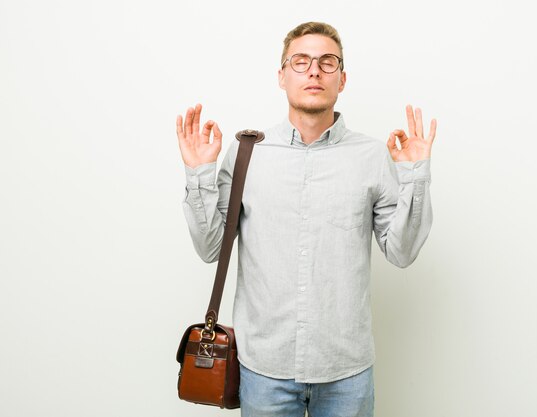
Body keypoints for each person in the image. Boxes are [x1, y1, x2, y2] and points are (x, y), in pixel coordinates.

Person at [175, 21, 437, 417]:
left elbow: (400, 253)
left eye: (327, 62)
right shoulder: (246, 153)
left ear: (342, 79)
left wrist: (415, 175)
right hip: (264, 368)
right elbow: (211, 248)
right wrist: (199, 174)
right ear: (282, 76)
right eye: (301, 61)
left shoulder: (371, 156)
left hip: (346, 371)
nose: (314, 71)